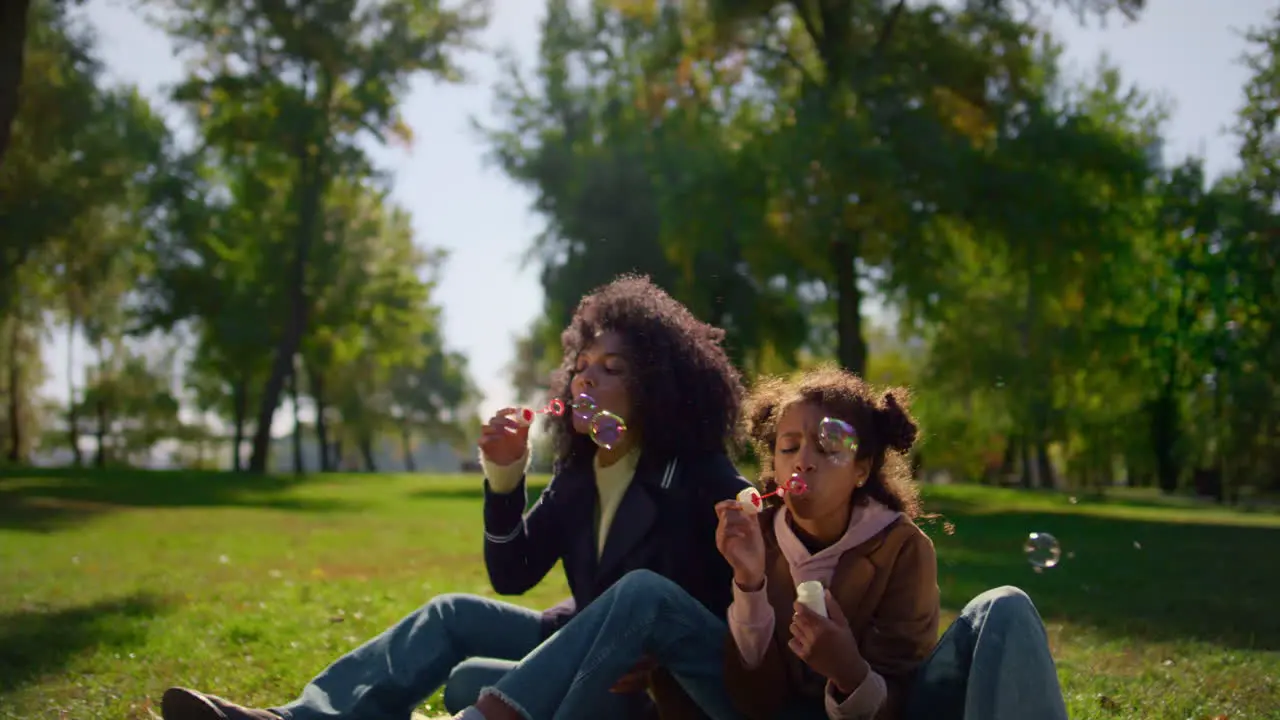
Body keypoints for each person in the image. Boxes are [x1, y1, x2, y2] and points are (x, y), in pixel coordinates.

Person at [159, 275, 753, 720]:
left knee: (470, 684)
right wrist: (503, 477)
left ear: (657, 385)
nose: (585, 379)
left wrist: (662, 656)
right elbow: (513, 573)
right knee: (451, 616)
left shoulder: (698, 474)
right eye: (582, 365)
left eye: (611, 368)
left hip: (639, 684)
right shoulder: (580, 474)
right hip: (572, 640)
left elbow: (738, 598)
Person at [450, 366, 1070, 720]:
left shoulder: (901, 549)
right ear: (771, 462)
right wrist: (748, 585)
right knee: (641, 595)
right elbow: (752, 702)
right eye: (789, 446)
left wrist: (848, 670)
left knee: (1006, 602)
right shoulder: (760, 541)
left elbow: (905, 704)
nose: (806, 458)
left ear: (863, 469)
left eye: (829, 447)